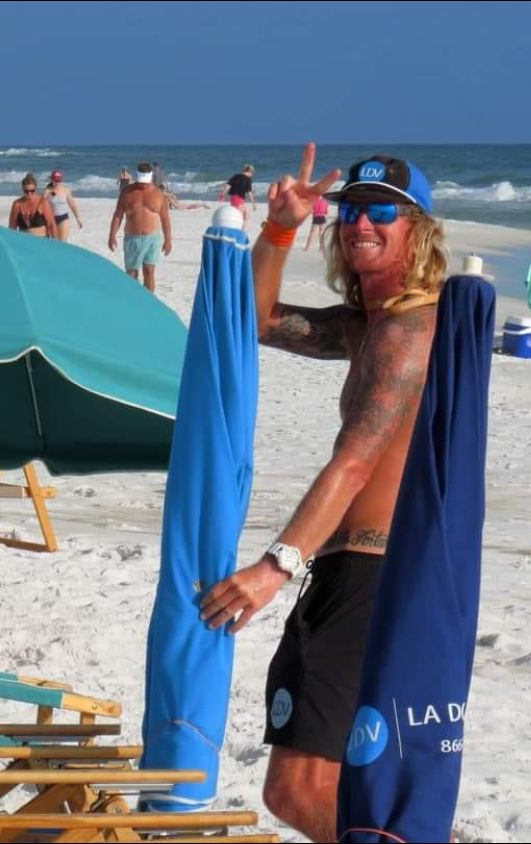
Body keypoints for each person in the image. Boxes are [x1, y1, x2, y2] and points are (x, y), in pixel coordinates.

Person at [200, 145, 448, 843]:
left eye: (381, 213)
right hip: (345, 572)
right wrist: (278, 229)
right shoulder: (364, 325)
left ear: (417, 230)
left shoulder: (407, 332)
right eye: (348, 210)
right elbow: (247, 323)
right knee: (330, 786)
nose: (359, 223)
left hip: (369, 576)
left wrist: (273, 567)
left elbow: (354, 463)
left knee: (297, 787)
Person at [108, 162, 171, 293]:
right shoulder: (127, 192)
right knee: (132, 274)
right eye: (141, 181)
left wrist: (168, 240)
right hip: (132, 239)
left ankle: (149, 302)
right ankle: (134, 300)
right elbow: (118, 215)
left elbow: (165, 219)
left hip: (153, 239)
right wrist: (112, 235)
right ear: (136, 176)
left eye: (146, 182)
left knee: (149, 271)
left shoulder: (158, 194)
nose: (143, 184)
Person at [8, 172, 58, 238]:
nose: (29, 193)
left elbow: (52, 224)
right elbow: (12, 228)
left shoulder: (42, 202)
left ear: (35, 188)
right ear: (22, 189)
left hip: (42, 242)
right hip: (24, 243)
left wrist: (55, 243)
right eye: (26, 191)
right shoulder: (17, 204)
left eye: (32, 191)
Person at [43, 169, 83, 242]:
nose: (56, 182)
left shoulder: (66, 190)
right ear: (51, 180)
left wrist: (78, 219)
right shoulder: (47, 190)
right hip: (51, 219)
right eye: (55, 180)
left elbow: (72, 205)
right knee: (53, 242)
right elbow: (41, 204)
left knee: (62, 243)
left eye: (58, 181)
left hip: (63, 218)